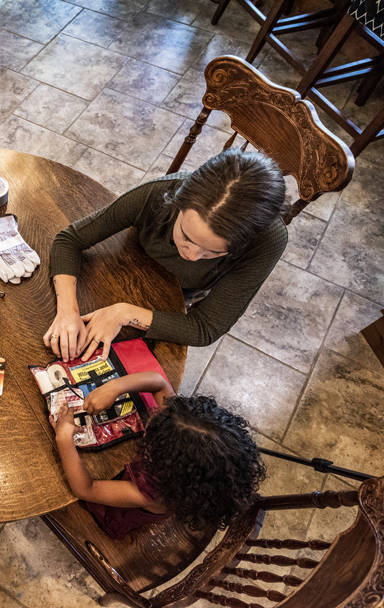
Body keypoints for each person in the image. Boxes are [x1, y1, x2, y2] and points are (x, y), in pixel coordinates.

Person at [45, 149, 288, 361]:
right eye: (187, 237)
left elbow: (205, 328)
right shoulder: (157, 192)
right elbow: (69, 239)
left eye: (213, 251)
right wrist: (68, 311)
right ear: (176, 203)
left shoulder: (267, 241)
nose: (192, 255)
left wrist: (124, 313)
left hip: (176, 301)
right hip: (126, 265)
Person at [49, 371, 265, 538]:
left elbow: (86, 489)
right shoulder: (182, 426)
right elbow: (159, 382)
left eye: (154, 432)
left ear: (162, 459)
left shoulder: (147, 494)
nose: (152, 418)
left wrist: (64, 438)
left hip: (113, 510)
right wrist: (116, 386)